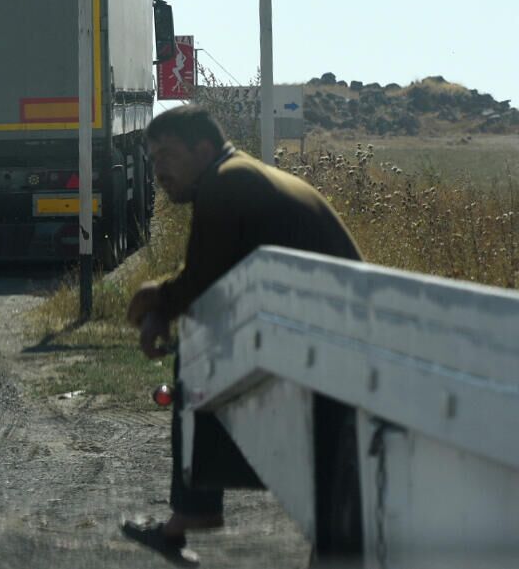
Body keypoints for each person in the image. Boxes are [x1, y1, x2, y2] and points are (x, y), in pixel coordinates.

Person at [121, 105, 361, 564]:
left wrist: (157, 302)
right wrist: (165, 302)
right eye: (152, 160)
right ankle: (191, 512)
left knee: (196, 357)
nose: (159, 171)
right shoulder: (236, 174)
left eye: (167, 155)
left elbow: (203, 280)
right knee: (334, 479)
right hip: (327, 327)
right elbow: (210, 279)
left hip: (329, 335)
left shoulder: (225, 182)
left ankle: (191, 511)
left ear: (203, 149)